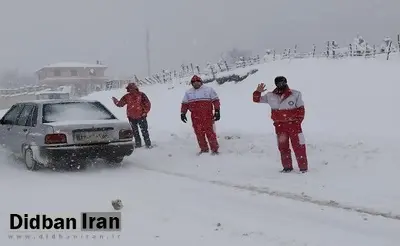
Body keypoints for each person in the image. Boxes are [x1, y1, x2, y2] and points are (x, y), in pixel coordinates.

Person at [252, 76, 308, 173]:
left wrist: (297, 122)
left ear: (286, 82)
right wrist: (258, 91)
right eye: (278, 83)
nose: (280, 84)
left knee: (299, 146)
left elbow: (301, 110)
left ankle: (303, 168)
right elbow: (256, 99)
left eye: (282, 82)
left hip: (294, 125)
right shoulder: (270, 96)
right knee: (283, 147)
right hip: (280, 126)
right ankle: (287, 167)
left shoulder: (295, 94)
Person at [181, 75, 220, 155]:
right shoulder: (188, 92)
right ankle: (204, 149)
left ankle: (214, 150)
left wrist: (217, 111)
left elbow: (215, 100)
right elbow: (185, 104)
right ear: (192, 84)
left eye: (197, 82)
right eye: (193, 83)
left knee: (210, 133)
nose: (196, 84)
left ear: (200, 82)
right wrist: (183, 113)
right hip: (195, 118)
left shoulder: (209, 90)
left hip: (207, 116)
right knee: (199, 134)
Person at [112, 83, 152, 148]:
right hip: (132, 117)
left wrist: (145, 112)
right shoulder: (127, 96)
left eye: (131, 88)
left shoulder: (141, 95)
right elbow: (120, 104)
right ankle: (139, 144)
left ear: (135, 88)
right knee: (136, 132)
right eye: (129, 88)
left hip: (140, 116)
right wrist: (115, 101)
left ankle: (147, 144)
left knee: (143, 131)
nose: (130, 90)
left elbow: (147, 104)